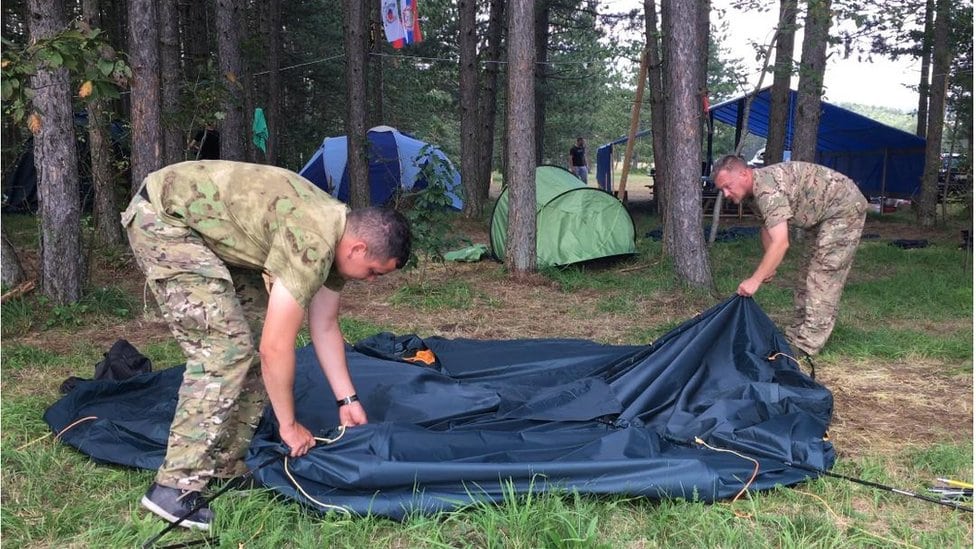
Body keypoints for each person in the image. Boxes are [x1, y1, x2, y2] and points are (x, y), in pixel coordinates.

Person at [121, 160, 411, 530]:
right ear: (357, 248)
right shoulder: (315, 240)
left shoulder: (336, 235)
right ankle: (172, 486)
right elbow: (277, 348)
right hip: (165, 219)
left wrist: (348, 401)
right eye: (374, 272)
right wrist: (289, 426)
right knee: (225, 351)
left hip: (212, 234)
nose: (371, 282)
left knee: (251, 343)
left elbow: (324, 325)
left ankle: (225, 465)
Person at [710, 154, 867, 357]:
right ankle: (798, 333)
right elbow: (767, 229)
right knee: (806, 273)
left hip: (844, 208)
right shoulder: (753, 195)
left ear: (744, 173)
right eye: (722, 189)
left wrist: (755, 280)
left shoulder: (767, 189)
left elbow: (781, 242)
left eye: (728, 186)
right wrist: (770, 266)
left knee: (823, 275)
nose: (726, 194)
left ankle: (807, 345)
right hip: (820, 216)